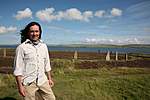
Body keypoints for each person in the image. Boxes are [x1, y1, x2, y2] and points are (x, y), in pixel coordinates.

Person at [13, 22, 56, 100]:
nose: (34, 33)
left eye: (36, 31)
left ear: (40, 32)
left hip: (43, 80)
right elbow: (18, 69)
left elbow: (47, 63)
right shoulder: (21, 48)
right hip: (28, 83)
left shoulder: (43, 46)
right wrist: (20, 86)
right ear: (28, 33)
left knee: (51, 98)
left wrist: (49, 79)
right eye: (32, 31)